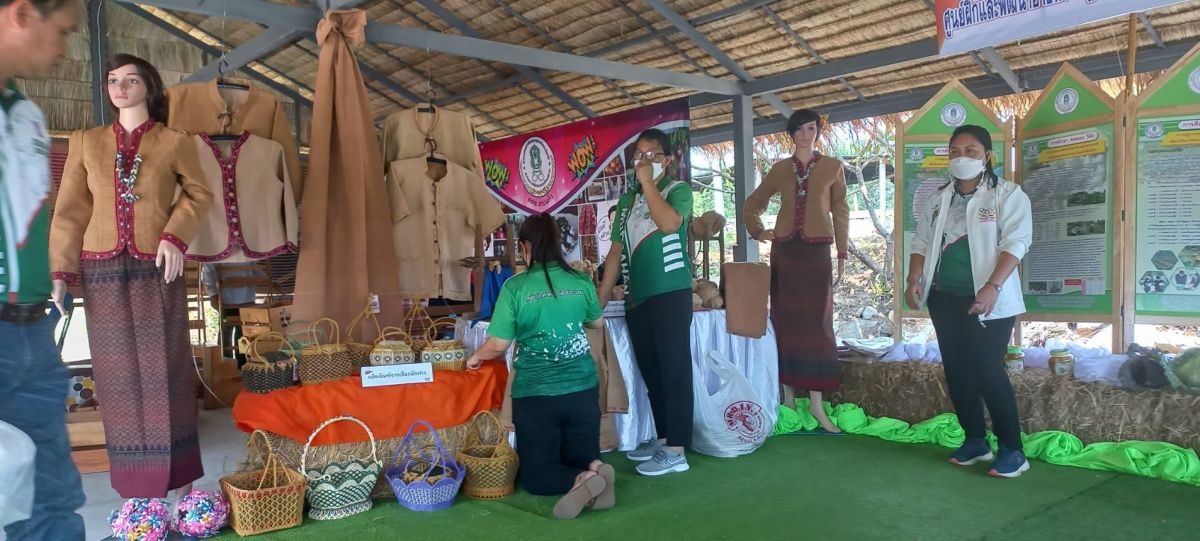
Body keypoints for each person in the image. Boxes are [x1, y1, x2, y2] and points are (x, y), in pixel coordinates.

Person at [49, 55, 212, 499]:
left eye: (131, 80)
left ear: (149, 87)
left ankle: (183, 488)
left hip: (157, 265)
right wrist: (61, 272)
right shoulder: (85, 142)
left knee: (167, 372)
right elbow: (70, 211)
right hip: (101, 268)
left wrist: (175, 237)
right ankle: (138, 493)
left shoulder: (175, 141)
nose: (120, 88)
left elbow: (199, 194)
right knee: (116, 376)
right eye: (113, 81)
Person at [0, 1, 86, 539]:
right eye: (63, 32)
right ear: (23, 14)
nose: (64, 50)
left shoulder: (28, 113)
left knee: (52, 503)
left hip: (33, 332)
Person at [904, 125, 1033, 478]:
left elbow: (1016, 243)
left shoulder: (1007, 194)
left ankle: (1012, 450)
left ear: (987, 156)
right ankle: (975, 440)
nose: (962, 157)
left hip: (989, 300)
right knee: (957, 370)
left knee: (988, 370)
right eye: (955, 151)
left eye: (971, 151)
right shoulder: (938, 198)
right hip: (944, 297)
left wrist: (993, 286)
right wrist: (914, 278)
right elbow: (920, 242)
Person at [466, 213, 614, 520]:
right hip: (583, 389)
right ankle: (596, 468)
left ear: (525, 247)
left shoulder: (516, 287)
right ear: (558, 244)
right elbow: (597, 322)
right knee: (582, 455)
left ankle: (582, 479)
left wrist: (476, 356)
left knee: (537, 477)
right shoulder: (580, 281)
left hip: (537, 394)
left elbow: (498, 344)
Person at [743, 109, 849, 434]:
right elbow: (753, 203)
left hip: (817, 253)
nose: (805, 134)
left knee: (818, 324)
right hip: (785, 252)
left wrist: (843, 252)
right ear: (791, 134)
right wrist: (758, 231)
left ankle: (816, 404)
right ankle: (787, 400)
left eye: (811, 128)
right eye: (800, 129)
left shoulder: (833, 167)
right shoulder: (779, 169)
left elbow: (841, 209)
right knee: (785, 321)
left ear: (818, 132)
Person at [598, 128, 694, 476]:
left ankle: (678, 450)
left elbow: (669, 224)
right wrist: (600, 297)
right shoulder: (626, 202)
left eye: (652, 155)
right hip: (637, 297)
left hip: (670, 293)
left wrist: (649, 183)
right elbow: (615, 252)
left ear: (666, 161)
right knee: (652, 372)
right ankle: (664, 438)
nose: (643, 161)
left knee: (674, 371)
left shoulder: (677, 190)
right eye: (639, 155)